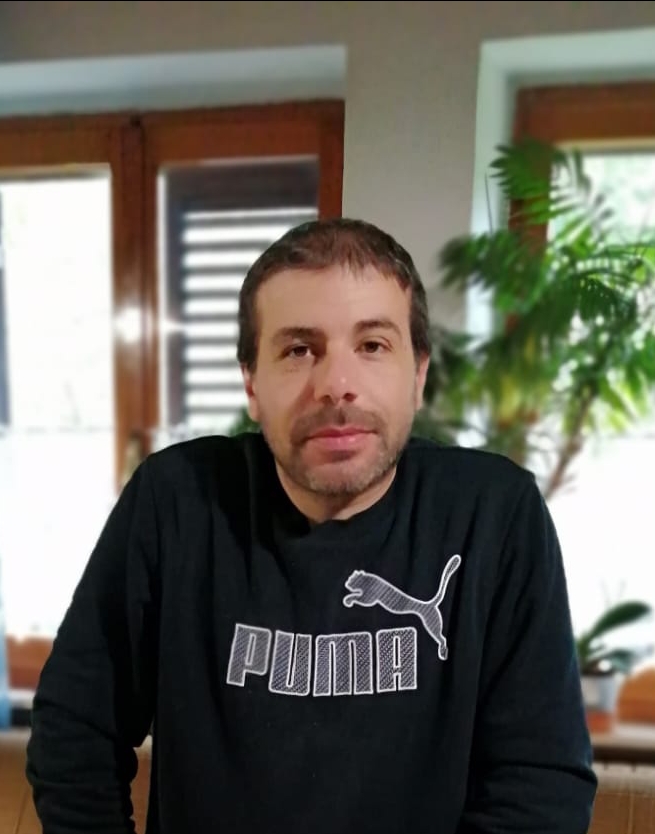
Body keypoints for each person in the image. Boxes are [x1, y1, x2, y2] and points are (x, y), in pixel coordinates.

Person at [26, 217, 597, 833]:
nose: (336, 386)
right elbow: (74, 733)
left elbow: (541, 787)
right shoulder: (175, 501)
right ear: (252, 383)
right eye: (299, 350)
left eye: (372, 345)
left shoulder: (496, 515)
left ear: (418, 375)